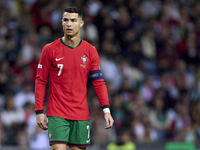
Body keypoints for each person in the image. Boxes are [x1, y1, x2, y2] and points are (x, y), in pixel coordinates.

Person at [34, 6, 114, 150]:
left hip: (81, 113)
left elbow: (99, 82)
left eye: (73, 20)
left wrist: (106, 110)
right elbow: (40, 81)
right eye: (66, 20)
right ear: (61, 22)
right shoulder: (49, 50)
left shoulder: (90, 51)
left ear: (81, 23)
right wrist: (39, 111)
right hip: (57, 112)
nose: (69, 24)